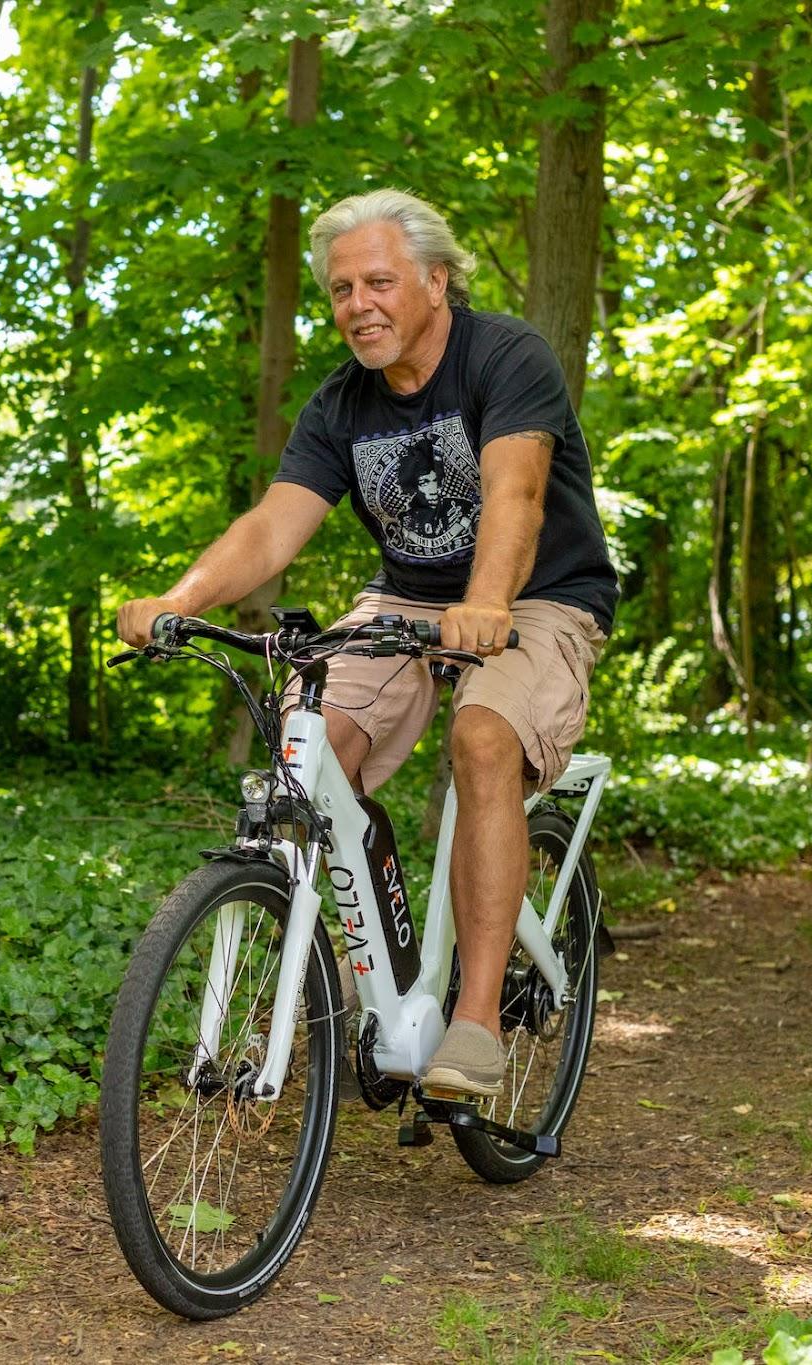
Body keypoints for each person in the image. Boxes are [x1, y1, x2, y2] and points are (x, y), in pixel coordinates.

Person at [115, 189, 619, 1099]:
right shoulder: (342, 403)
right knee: (304, 760)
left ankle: (472, 1024)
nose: (359, 304)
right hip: (404, 601)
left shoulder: (507, 356)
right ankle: (368, 963)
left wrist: (487, 602)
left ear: (436, 280)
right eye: (342, 288)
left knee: (482, 738)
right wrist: (177, 597)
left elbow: (515, 496)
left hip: (534, 598)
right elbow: (274, 525)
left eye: (378, 280)